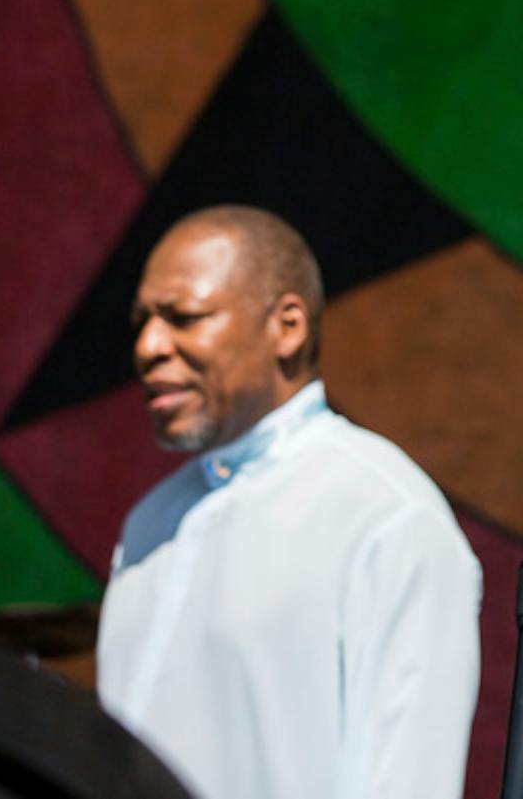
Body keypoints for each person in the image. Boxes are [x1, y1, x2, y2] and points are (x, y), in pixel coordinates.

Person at [97, 206, 482, 799]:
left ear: (289, 326)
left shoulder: (386, 516)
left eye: (183, 317)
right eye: (142, 321)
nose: (148, 347)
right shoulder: (150, 522)